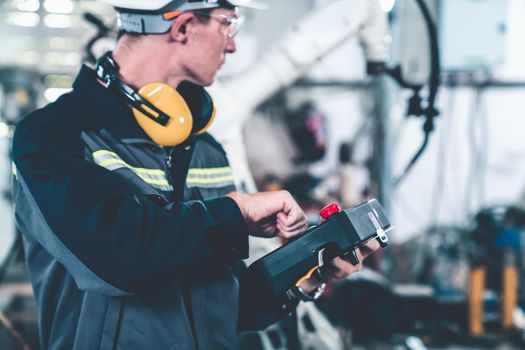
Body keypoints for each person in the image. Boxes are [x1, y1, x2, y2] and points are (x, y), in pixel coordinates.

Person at [11, 0, 381, 349]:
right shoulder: (53, 137)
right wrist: (235, 212)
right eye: (228, 23)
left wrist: (308, 274)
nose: (232, 44)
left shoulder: (205, 149)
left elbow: (224, 304)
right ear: (184, 27)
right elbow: (116, 257)